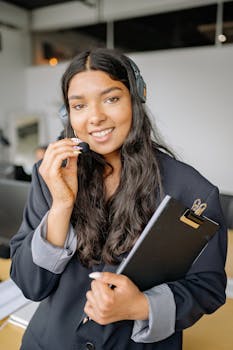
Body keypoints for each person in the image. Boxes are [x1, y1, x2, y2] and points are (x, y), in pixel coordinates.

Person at [10, 48, 227, 350]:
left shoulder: (193, 191)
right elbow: (30, 285)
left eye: (111, 98)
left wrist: (141, 306)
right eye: (79, 105)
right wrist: (61, 205)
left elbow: (208, 287)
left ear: (136, 100)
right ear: (68, 115)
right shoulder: (51, 175)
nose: (95, 117)